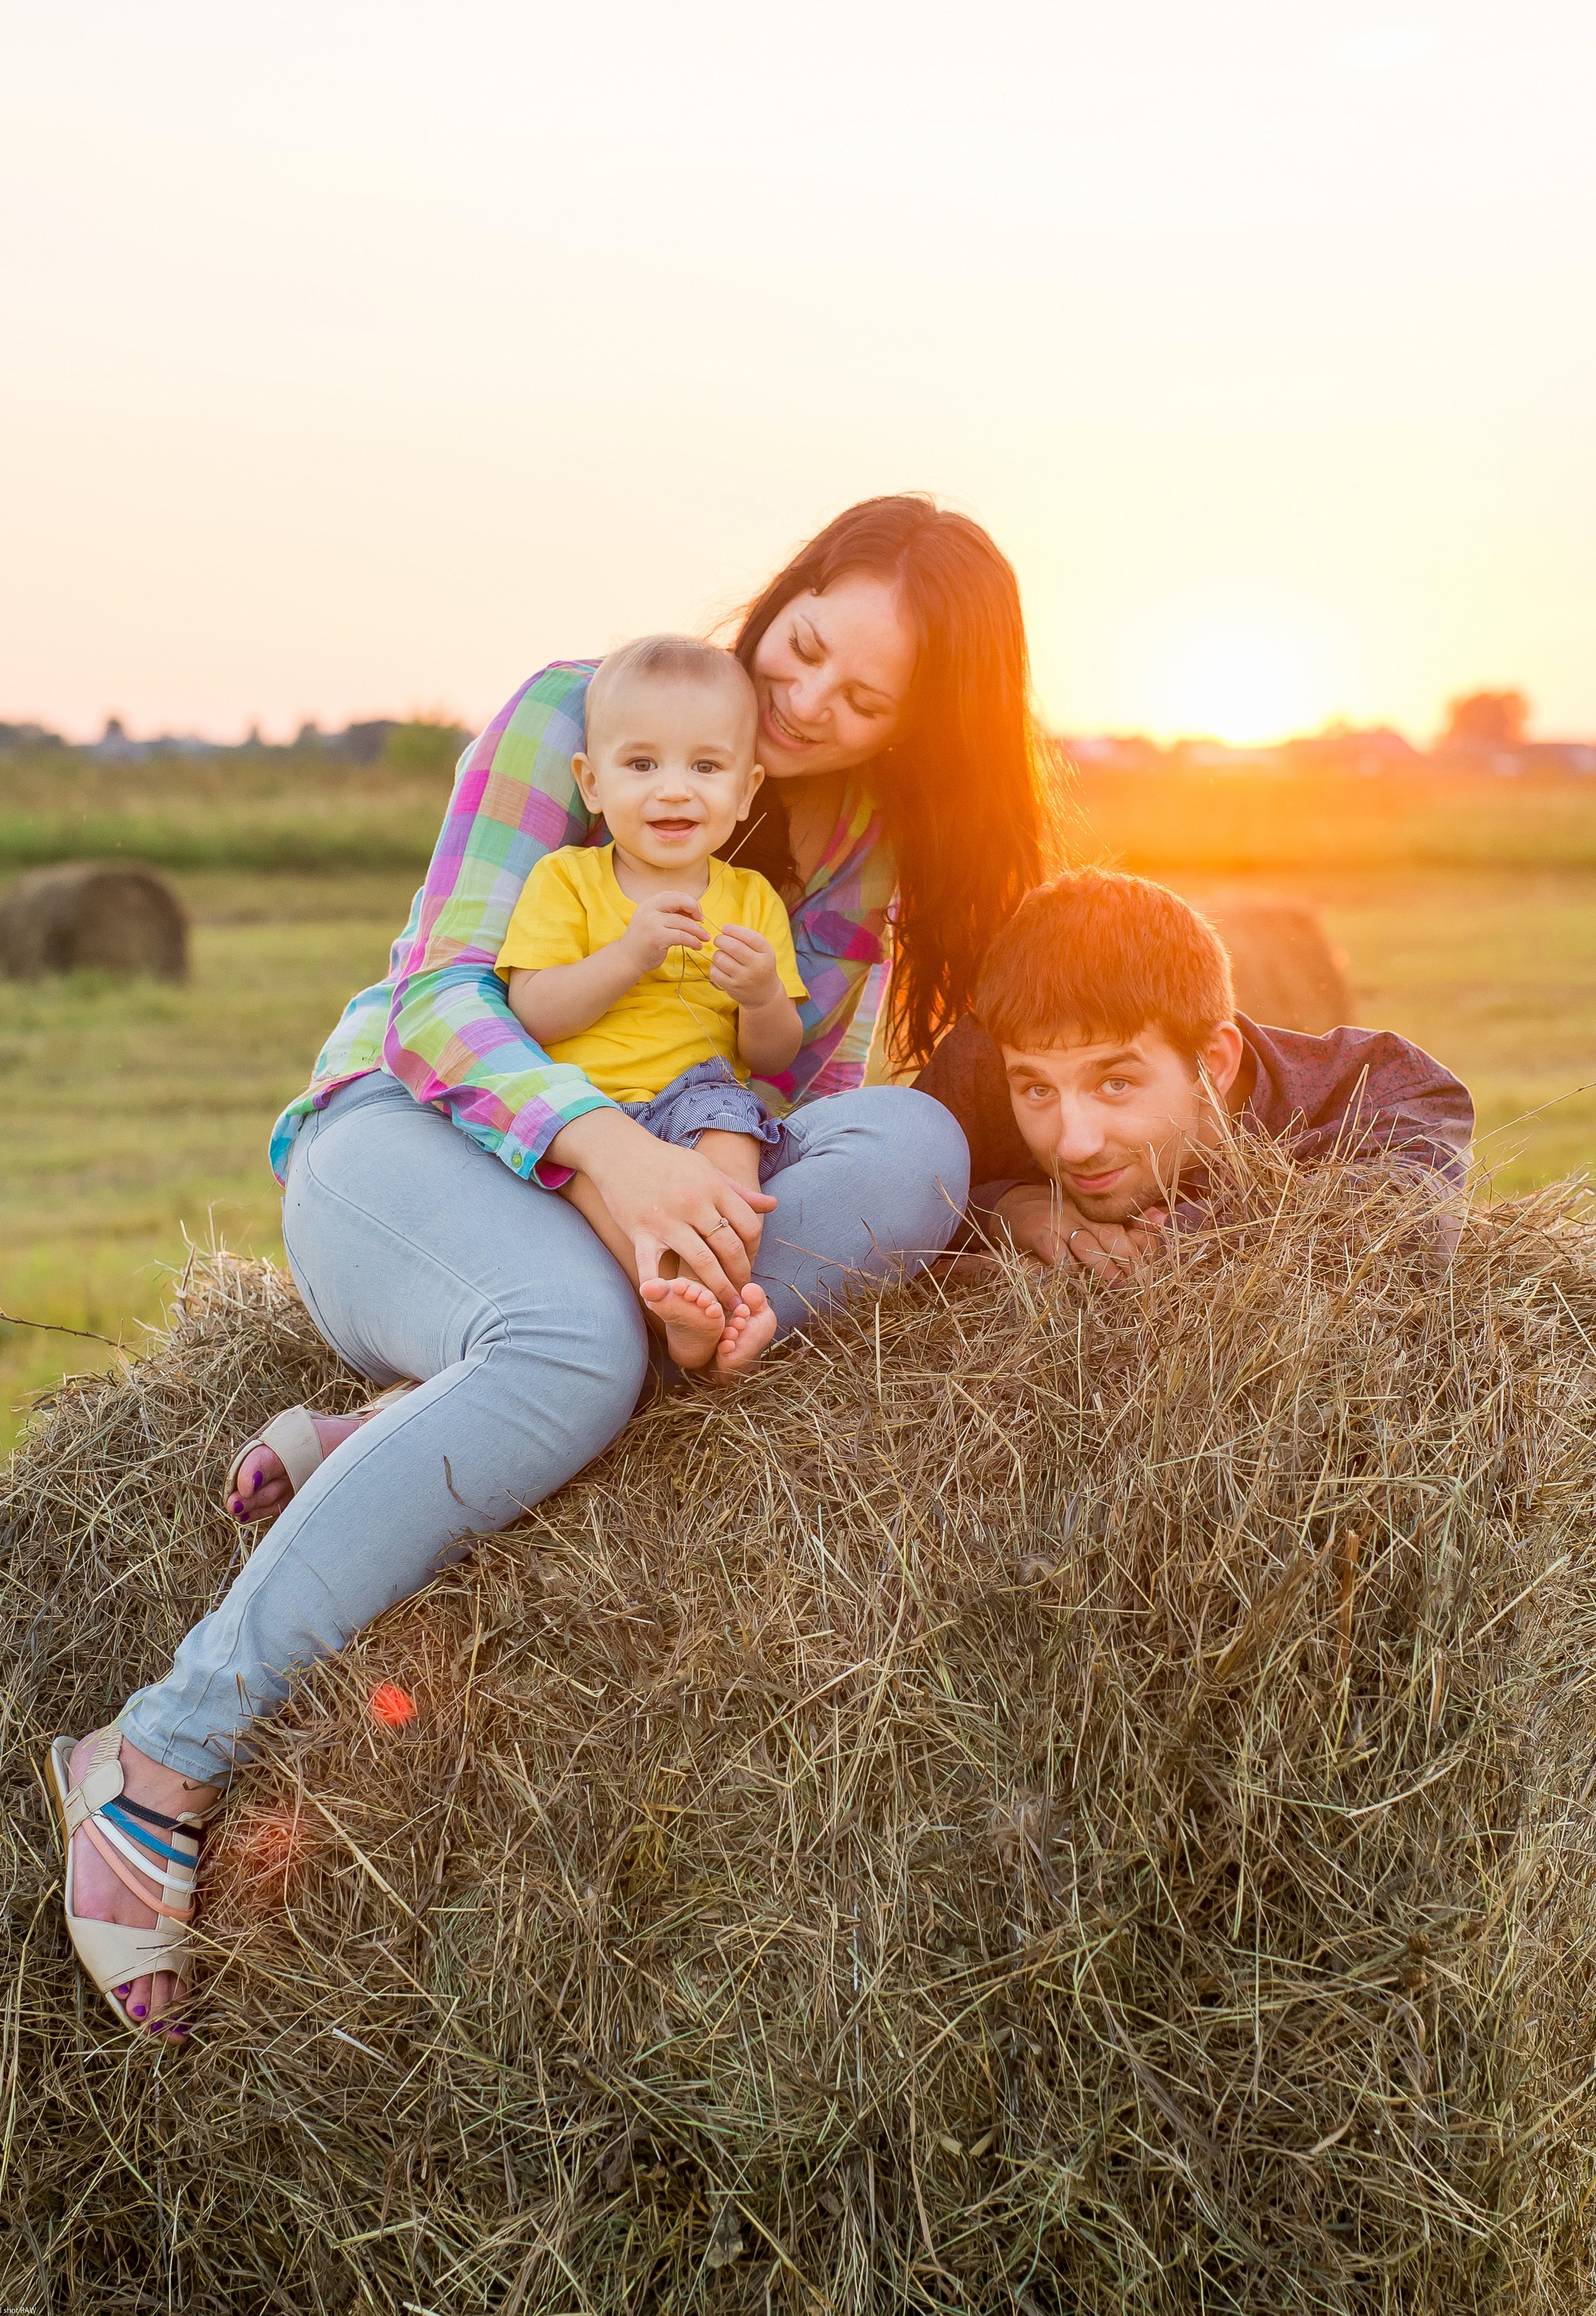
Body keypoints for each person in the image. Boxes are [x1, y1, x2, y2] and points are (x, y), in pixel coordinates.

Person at [52, 493, 1051, 2039]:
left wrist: (755, 1181)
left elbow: (801, 1083)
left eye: (862, 701)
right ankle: (159, 1752)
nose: (802, 704)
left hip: (679, 1155)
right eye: (801, 648)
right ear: (783, 592)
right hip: (413, 1137)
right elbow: (441, 1006)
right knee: (575, 1343)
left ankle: (423, 1425)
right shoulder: (575, 715)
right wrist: (609, 1158)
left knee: (909, 1146)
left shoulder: (861, 838)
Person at [916, 868, 1472, 1282]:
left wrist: (1189, 1237)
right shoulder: (991, 1056)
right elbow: (888, 1210)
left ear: (1216, 1063)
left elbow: (1405, 1226)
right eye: (1038, 1090)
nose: (1074, 1144)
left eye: (1115, 1084)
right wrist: (1007, 1206)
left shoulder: (1378, 1087)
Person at [501, 633, 805, 1376]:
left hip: (699, 1097)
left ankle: (711, 1298)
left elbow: (773, 1056)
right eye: (642, 765)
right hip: (586, 1108)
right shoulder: (567, 881)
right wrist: (628, 955)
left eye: (705, 767)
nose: (674, 790)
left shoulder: (750, 899)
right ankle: (673, 1307)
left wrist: (762, 995)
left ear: (746, 791)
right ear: (592, 782)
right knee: (603, 1194)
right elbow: (532, 1011)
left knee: (731, 1139)